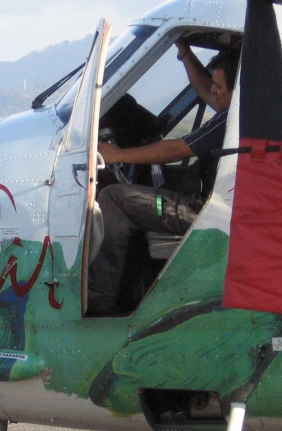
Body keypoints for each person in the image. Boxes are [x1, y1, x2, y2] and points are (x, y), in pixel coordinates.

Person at [88, 41, 238, 316]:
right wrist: (185, 49)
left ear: (236, 91)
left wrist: (118, 154)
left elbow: (178, 149)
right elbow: (204, 89)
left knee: (114, 197)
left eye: (219, 88)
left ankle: (100, 299)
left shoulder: (234, 117)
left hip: (202, 211)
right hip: (211, 203)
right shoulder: (236, 107)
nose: (212, 92)